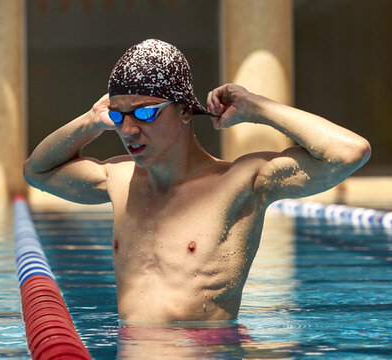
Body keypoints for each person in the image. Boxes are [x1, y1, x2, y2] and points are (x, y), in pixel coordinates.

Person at [23, 39, 371, 324]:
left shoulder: (240, 182)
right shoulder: (118, 178)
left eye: (145, 112)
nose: (128, 130)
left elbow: (350, 152)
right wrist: (89, 121)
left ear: (186, 111)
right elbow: (36, 172)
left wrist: (256, 106)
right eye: (119, 116)